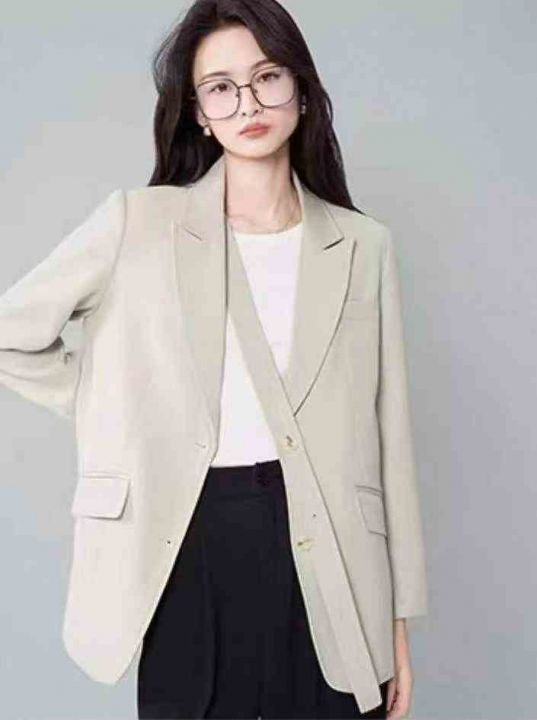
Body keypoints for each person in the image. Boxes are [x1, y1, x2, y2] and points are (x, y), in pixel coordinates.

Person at [0, 0, 428, 718]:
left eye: (267, 77)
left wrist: (397, 626)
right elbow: (11, 334)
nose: (247, 103)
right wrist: (117, 408)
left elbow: (390, 445)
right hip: (187, 539)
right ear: (198, 112)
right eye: (221, 87)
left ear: (301, 91)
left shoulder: (363, 245)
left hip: (330, 552)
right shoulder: (138, 223)